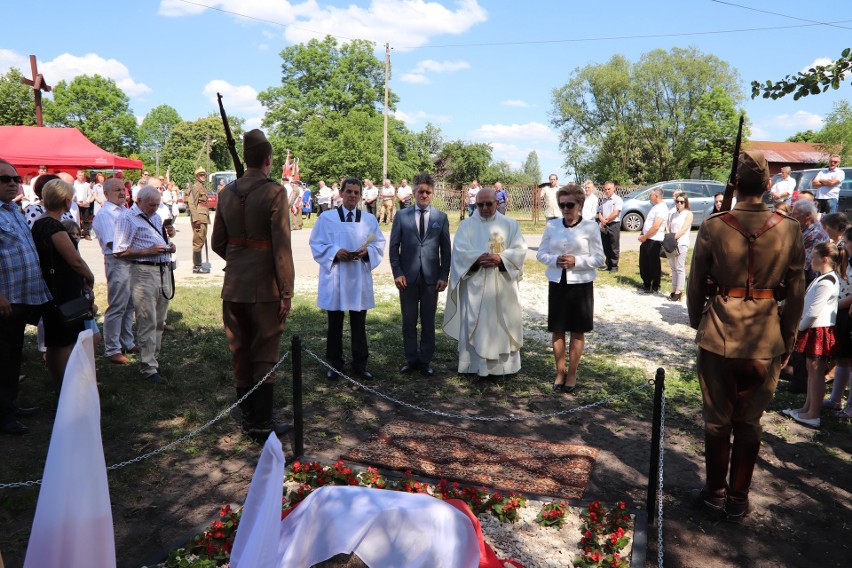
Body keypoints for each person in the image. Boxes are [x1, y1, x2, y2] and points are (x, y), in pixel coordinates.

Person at [687, 149, 805, 521]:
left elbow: (695, 284)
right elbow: (797, 292)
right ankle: (738, 498)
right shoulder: (789, 227)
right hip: (765, 337)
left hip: (719, 333)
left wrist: (697, 321)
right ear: (769, 185)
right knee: (750, 422)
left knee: (717, 421)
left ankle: (714, 493)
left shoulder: (715, 224)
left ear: (736, 185)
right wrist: (787, 339)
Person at [212, 129, 295, 440]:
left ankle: (247, 418)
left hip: (233, 285)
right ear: (268, 160)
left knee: (239, 350)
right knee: (264, 352)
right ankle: (261, 423)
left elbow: (218, 241)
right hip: (264, 289)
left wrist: (239, 258)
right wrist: (285, 290)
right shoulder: (275, 192)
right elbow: (282, 248)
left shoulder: (226, 193)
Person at [443, 188, 527, 376]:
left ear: (497, 203)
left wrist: (501, 259)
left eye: (489, 203)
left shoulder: (510, 224)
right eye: (480, 204)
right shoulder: (466, 226)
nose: (485, 207)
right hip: (475, 284)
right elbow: (459, 253)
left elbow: (520, 250)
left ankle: (505, 367)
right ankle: (473, 365)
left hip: (503, 284)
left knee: (502, 322)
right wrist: (476, 259)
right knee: (476, 324)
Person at [310, 178, 386, 381]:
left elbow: (379, 243)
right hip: (336, 275)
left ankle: (360, 365)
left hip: (358, 276)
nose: (352, 195)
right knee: (334, 323)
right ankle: (334, 364)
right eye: (349, 192)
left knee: (359, 322)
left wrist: (367, 250)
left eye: (356, 192)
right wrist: (335, 252)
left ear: (361, 196)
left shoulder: (368, 220)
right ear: (341, 194)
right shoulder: (327, 218)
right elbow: (316, 243)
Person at [536, 184, 604, 393]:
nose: (565, 209)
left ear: (580, 204)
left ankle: (572, 373)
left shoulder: (591, 227)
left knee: (577, 330)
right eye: (562, 205)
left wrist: (577, 261)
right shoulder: (552, 226)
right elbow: (541, 254)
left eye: (569, 204)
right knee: (557, 329)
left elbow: (599, 258)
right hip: (557, 283)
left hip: (581, 285)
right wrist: (555, 259)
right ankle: (560, 371)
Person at [0, 159, 51, 435]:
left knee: (12, 355)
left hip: (22, 297)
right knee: (3, 357)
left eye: (15, 178)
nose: (11, 183)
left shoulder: (14, 210)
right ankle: (4, 416)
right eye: (4, 179)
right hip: (5, 300)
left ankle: (9, 405)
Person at [31, 179, 96, 391]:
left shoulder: (40, 222)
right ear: (67, 201)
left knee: (54, 342)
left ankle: (60, 385)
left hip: (50, 289)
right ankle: (69, 388)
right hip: (63, 290)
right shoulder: (53, 226)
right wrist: (89, 277)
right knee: (66, 342)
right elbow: (74, 260)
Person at [388, 173, 451, 377]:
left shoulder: (440, 217)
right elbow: (394, 247)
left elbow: (446, 250)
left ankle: (425, 360)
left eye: (428, 192)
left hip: (431, 279)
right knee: (408, 321)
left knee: (428, 321)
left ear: (432, 194)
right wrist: (397, 273)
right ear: (413, 192)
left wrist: (443, 275)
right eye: (420, 191)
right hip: (407, 278)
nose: (424, 195)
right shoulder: (401, 216)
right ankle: (411, 359)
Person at [113, 185, 176, 384]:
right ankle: (148, 367)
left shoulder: (156, 217)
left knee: (159, 320)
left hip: (162, 270)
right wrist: (148, 251)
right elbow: (119, 251)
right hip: (143, 272)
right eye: (151, 205)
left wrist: (168, 245)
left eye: (157, 205)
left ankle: (153, 360)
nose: (155, 209)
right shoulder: (126, 218)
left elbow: (159, 241)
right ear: (139, 201)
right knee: (147, 318)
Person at [782, 242, 840, 429]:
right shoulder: (822, 278)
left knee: (816, 372)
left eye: (813, 255)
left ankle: (813, 413)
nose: (810, 259)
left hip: (818, 329)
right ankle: (807, 408)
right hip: (814, 328)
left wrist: (798, 328)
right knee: (811, 371)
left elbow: (814, 311)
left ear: (824, 259)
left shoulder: (827, 281)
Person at [92, 178, 138, 364]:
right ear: (106, 193)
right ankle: (112, 349)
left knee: (129, 305)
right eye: (117, 190)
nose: (122, 193)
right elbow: (115, 244)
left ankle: (127, 342)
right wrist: (143, 248)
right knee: (118, 306)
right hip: (117, 261)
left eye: (123, 189)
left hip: (131, 259)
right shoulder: (105, 214)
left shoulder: (126, 211)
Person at [824, 227, 852, 418]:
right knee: (842, 357)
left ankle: (850, 407)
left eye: (846, 241)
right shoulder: (847, 261)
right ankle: (835, 399)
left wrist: (836, 304)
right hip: (842, 312)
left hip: (848, 311)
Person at [61, 220, 102, 346]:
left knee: (95, 337)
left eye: (77, 234)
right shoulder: (65, 256)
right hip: (74, 304)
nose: (75, 237)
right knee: (86, 338)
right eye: (71, 234)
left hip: (83, 300)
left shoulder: (77, 253)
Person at [791, 200, 829, 285]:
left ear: (808, 215)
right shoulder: (804, 230)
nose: (792, 217)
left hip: (806, 283)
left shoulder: (815, 235)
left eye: (794, 214)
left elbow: (805, 267)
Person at [638, 187, 668, 294]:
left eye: (650, 195)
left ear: (656, 196)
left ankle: (655, 285)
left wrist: (645, 236)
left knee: (653, 263)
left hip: (654, 240)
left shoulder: (662, 208)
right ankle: (646, 283)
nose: (649, 197)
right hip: (647, 239)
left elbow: (656, 226)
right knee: (644, 263)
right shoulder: (655, 207)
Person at [665, 193, 693, 302]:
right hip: (672, 243)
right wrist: (669, 237)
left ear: (686, 202)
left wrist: (673, 238)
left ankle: (679, 291)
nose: (679, 204)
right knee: (673, 267)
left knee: (680, 267)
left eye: (682, 202)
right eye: (677, 202)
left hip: (681, 243)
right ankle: (674, 289)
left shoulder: (688, 214)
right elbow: (669, 227)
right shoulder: (673, 214)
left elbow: (684, 229)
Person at [188, 167, 211, 273]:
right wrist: (196, 219)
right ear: (196, 177)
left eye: (204, 174)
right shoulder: (196, 187)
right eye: (201, 175)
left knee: (201, 241)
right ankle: (197, 266)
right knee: (198, 242)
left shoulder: (202, 187)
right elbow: (192, 204)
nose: (203, 176)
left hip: (203, 216)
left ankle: (199, 264)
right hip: (199, 218)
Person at [597, 181, 622, 272]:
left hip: (613, 224)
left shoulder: (617, 199)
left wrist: (605, 220)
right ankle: (608, 264)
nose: (607, 191)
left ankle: (614, 266)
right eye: (605, 189)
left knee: (614, 246)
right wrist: (602, 220)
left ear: (613, 189)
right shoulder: (604, 200)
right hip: (604, 225)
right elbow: (599, 212)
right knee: (606, 246)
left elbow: (616, 213)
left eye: (609, 189)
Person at [73, 170, 93, 239]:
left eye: (82, 175)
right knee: (76, 218)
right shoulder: (73, 184)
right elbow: (72, 194)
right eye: (80, 175)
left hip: (85, 204)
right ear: (77, 176)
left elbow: (90, 194)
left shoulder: (87, 185)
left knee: (86, 220)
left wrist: (86, 202)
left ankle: (87, 234)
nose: (81, 177)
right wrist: (76, 202)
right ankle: (76, 233)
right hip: (76, 203)